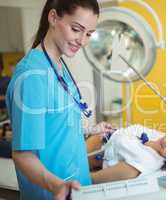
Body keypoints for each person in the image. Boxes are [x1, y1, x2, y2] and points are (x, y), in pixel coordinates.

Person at [5, 0, 102, 199]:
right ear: (53, 17)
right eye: (76, 29)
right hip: (53, 193)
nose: (82, 41)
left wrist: (94, 130)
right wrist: (57, 185)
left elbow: (55, 126)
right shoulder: (32, 76)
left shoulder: (59, 66)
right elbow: (23, 155)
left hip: (79, 187)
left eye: (89, 34)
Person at [86, 124, 166, 183]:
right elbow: (127, 131)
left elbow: (92, 178)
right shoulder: (158, 137)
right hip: (91, 137)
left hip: (84, 158)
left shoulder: (145, 162)